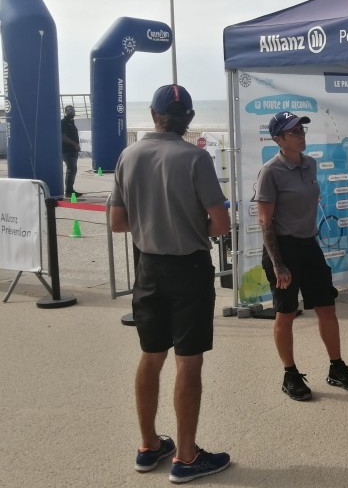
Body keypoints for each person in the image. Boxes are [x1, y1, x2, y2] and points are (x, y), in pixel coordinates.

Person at [109, 84, 232, 484]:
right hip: (189, 268)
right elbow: (220, 223)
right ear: (189, 118)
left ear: (153, 115)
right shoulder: (196, 158)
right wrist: (187, 224)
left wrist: (152, 223)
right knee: (189, 360)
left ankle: (148, 446)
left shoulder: (129, 155)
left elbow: (117, 222)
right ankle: (186, 456)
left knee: (151, 355)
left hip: (148, 267)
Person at [256, 110, 348, 401]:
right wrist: (278, 264)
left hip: (309, 245)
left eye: (302, 130)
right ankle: (290, 373)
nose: (301, 135)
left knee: (326, 308)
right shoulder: (270, 171)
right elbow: (265, 221)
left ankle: (336, 367)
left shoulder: (311, 164)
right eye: (293, 132)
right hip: (282, 249)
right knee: (286, 312)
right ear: (278, 139)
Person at [60, 105, 82, 198]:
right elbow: (63, 137)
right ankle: (69, 191)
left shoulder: (71, 122)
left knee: (73, 170)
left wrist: (76, 145)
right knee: (71, 169)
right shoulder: (63, 122)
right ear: (65, 112)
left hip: (73, 150)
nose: (72, 112)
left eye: (73, 110)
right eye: (70, 110)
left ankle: (70, 189)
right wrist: (74, 144)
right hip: (67, 150)